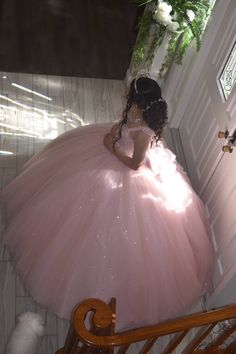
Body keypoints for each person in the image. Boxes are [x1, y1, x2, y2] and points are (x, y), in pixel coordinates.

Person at [1, 76, 213, 330]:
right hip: (115, 148)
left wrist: (112, 148)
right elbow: (125, 126)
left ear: (140, 101)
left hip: (126, 169)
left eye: (131, 96)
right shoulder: (136, 113)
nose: (127, 100)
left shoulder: (144, 134)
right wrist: (116, 132)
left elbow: (135, 165)